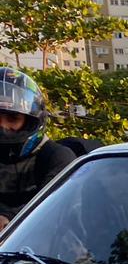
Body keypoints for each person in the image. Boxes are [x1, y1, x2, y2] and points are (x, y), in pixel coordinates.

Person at [0, 68, 76, 230]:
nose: (3, 126)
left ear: (30, 121)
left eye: (13, 118)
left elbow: (53, 207)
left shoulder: (55, 157)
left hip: (46, 246)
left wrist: (8, 218)